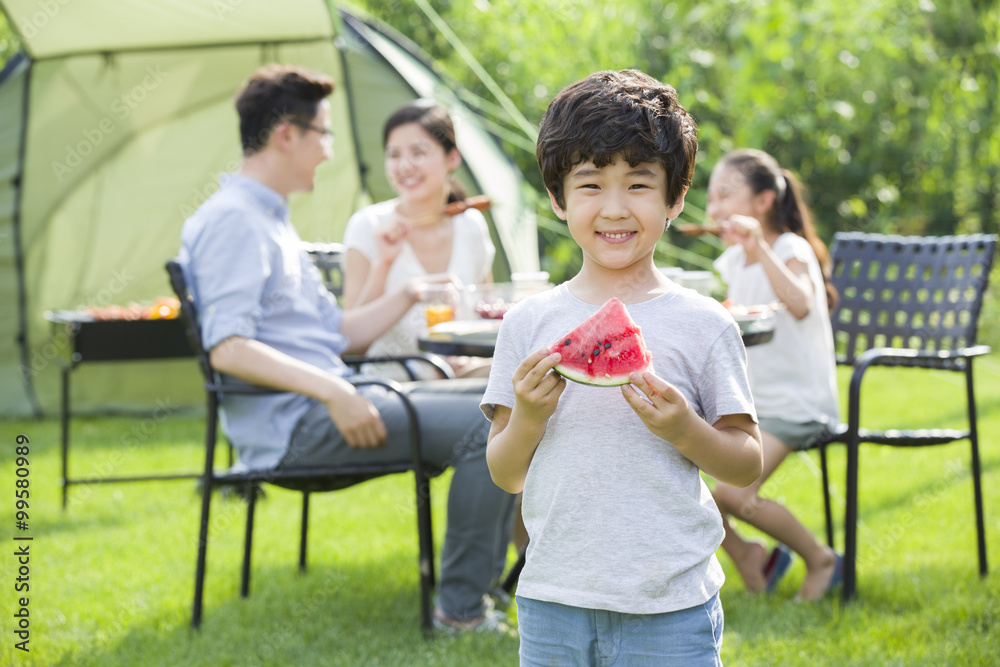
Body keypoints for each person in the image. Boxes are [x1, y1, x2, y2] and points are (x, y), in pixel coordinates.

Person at [178, 64, 515, 634]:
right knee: (488, 423)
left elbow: (337, 337)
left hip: (335, 395)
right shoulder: (235, 222)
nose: (329, 152)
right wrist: (334, 390)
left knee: (506, 394)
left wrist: (403, 290)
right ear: (288, 134)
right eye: (324, 135)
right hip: (297, 427)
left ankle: (496, 585)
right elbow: (227, 349)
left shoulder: (270, 221)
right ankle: (461, 609)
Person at [482, 69, 763, 665]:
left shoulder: (705, 323)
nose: (614, 208)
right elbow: (506, 474)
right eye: (590, 185)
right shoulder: (527, 324)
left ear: (675, 197)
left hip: (672, 606)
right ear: (558, 198)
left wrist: (686, 431)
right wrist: (528, 417)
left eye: (638, 184)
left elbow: (744, 464)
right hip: (553, 600)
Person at [707, 148, 843, 601]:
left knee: (729, 494)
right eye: (711, 198)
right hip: (753, 403)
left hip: (796, 403)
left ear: (762, 202)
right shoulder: (730, 263)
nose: (715, 209)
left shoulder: (788, 249)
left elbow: (802, 303)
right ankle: (748, 554)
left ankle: (820, 558)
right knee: (685, 481)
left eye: (725, 194)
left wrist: (759, 247)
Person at [341, 100, 494, 378]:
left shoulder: (470, 225)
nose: (404, 165)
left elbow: (487, 315)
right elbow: (351, 344)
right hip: (394, 384)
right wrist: (384, 264)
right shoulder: (367, 226)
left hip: (459, 377)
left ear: (452, 158)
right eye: (394, 154)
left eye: (418, 152)